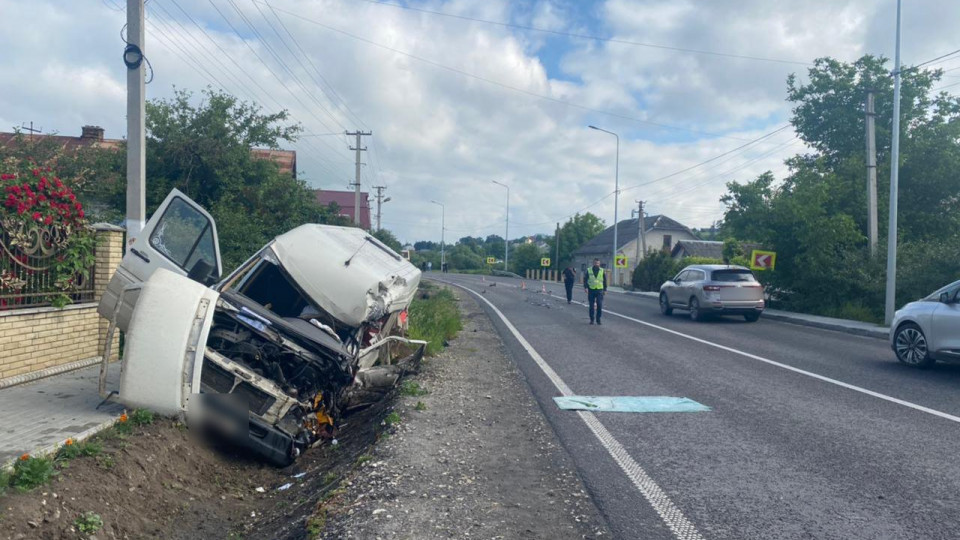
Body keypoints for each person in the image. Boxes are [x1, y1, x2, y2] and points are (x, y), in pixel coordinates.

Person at [583, 258, 607, 325]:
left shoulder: (602, 270)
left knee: (599, 304)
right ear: (593, 263)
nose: (597, 264)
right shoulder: (589, 270)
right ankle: (592, 319)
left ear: (599, 264)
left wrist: (605, 289)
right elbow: (585, 279)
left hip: (599, 290)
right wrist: (585, 287)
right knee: (591, 305)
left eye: (598, 263)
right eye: (595, 263)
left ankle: (598, 319)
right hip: (591, 290)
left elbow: (605, 280)